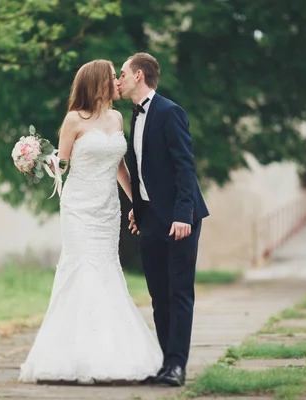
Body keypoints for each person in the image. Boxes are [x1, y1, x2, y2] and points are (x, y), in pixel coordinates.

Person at [18, 59, 163, 384]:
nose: (117, 81)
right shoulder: (74, 120)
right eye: (113, 77)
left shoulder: (116, 117)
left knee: (107, 268)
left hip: (107, 207)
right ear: (97, 82)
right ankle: (70, 357)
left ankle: (112, 353)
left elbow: (120, 165)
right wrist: (38, 158)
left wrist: (136, 203)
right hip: (79, 207)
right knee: (82, 267)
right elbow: (63, 164)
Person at [119, 53, 210, 387]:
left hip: (179, 218)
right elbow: (145, 171)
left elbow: (185, 167)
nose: (119, 79)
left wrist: (183, 214)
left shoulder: (170, 112)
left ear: (139, 75)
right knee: (158, 294)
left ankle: (177, 366)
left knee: (179, 292)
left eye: (123, 73)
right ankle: (164, 362)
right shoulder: (133, 116)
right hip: (149, 219)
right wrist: (137, 208)